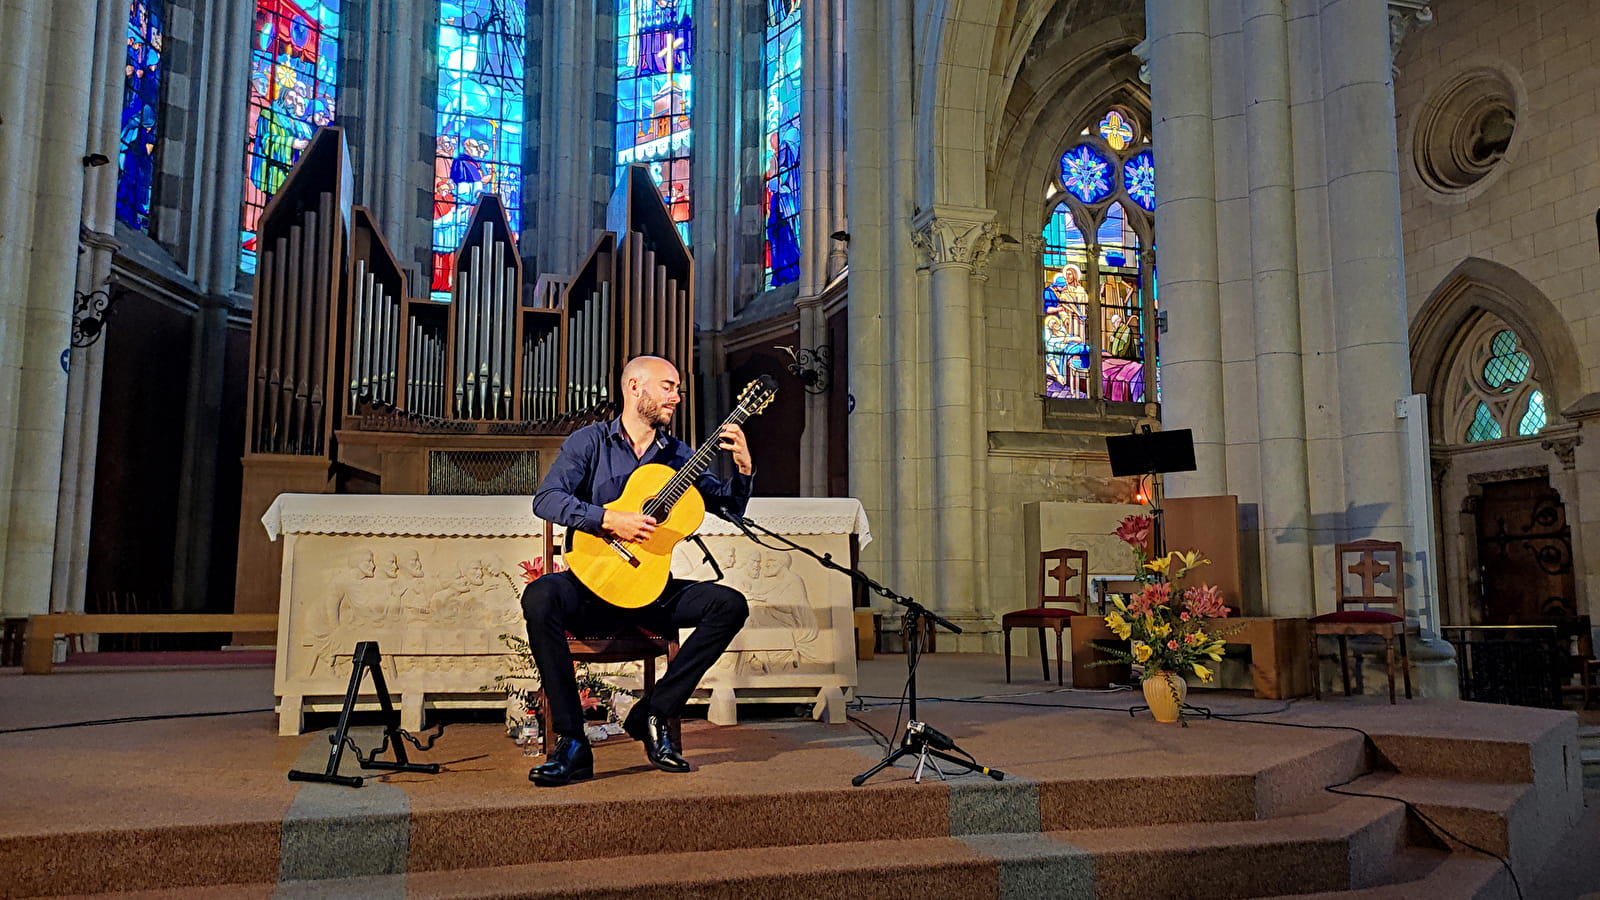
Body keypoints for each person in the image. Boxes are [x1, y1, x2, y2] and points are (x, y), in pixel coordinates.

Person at [521, 355, 753, 786]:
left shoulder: (680, 455)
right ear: (634, 387)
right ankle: (572, 742)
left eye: (678, 388)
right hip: (592, 588)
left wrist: (743, 468)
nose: (677, 396)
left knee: (729, 605)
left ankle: (654, 713)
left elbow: (730, 509)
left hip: (650, 593)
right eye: (667, 386)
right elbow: (546, 499)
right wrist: (608, 519)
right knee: (540, 596)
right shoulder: (589, 442)